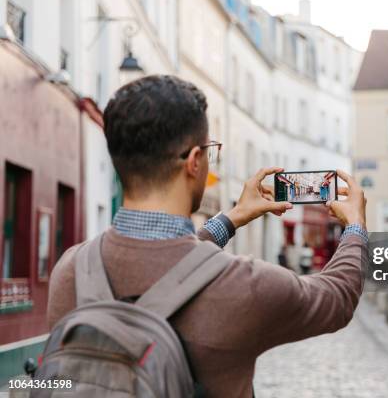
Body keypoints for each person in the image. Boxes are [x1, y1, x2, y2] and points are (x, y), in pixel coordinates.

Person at [47, 75, 368, 398]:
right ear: (195, 161)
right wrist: (354, 225)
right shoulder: (244, 285)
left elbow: (171, 265)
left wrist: (231, 218)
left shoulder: (72, 268)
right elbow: (337, 297)